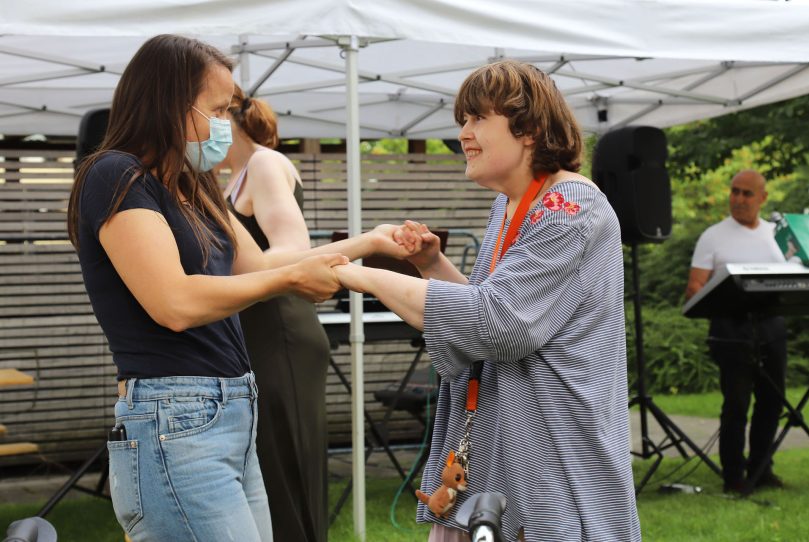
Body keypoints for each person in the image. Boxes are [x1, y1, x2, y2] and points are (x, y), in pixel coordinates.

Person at [67, 34, 410, 542]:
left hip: (231, 409)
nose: (227, 124)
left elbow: (263, 264)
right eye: (218, 110)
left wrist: (370, 241)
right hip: (173, 416)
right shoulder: (115, 176)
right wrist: (291, 278)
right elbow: (174, 303)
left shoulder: (194, 184)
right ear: (170, 102)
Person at [335, 60, 640, 541]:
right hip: (505, 461)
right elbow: (486, 311)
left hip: (553, 464)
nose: (464, 133)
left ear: (530, 130)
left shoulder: (569, 206)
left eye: (478, 118)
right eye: (463, 119)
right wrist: (433, 267)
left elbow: (499, 324)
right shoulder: (511, 202)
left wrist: (361, 275)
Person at [216, 86, 330, 542]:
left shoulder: (264, 163)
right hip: (253, 333)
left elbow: (293, 249)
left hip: (280, 331)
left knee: (287, 472)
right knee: (266, 472)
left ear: (228, 120)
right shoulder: (233, 177)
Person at [685, 169, 787, 494]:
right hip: (731, 332)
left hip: (772, 328)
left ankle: (761, 468)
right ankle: (734, 476)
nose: (738, 199)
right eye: (734, 191)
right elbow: (694, 288)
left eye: (747, 193)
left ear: (763, 198)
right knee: (737, 404)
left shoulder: (777, 234)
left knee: (772, 402)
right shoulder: (713, 236)